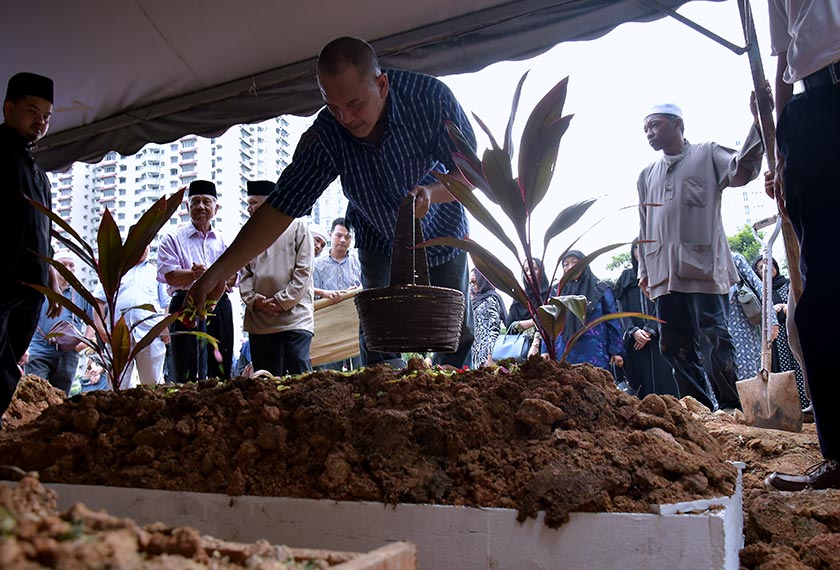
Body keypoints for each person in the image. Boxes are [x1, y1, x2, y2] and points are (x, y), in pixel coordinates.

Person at [184, 36, 476, 370]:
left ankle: (453, 399)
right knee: (378, 331)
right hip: (377, 236)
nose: (346, 118)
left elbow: (472, 173)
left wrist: (431, 192)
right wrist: (220, 271)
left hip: (441, 228)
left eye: (354, 104)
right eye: (332, 105)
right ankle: (386, 400)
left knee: (455, 331)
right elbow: (280, 208)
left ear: (381, 85)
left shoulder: (429, 99)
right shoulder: (328, 134)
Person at [637, 102, 763, 412]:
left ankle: (730, 406)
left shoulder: (706, 153)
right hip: (663, 272)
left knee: (714, 337)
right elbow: (643, 225)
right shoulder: (645, 175)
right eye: (645, 130)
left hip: (704, 267)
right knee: (673, 344)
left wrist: (759, 122)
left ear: (677, 123)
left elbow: (741, 169)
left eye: (655, 125)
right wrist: (643, 270)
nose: (649, 133)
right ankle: (700, 409)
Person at [763, 1, 840, 490]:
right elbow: (784, 53)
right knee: (823, 296)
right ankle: (838, 455)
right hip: (813, 113)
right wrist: (782, 149)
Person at [0, 72, 60, 426]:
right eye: (32, 111)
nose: (40, 121)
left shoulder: (39, 174)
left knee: (7, 366)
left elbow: (42, 230)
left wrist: (50, 273)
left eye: (47, 116)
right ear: (9, 107)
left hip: (30, 288)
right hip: (2, 283)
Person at [157, 180, 234, 382]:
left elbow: (235, 277)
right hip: (185, 303)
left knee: (220, 363)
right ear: (187, 207)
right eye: (195, 201)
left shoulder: (225, 241)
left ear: (216, 208)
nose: (201, 206)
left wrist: (212, 276)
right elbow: (169, 275)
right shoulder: (172, 238)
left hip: (219, 304)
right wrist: (195, 275)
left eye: (206, 202)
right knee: (185, 364)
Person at [240, 180, 315, 376]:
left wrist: (281, 301)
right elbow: (244, 274)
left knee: (300, 372)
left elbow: (304, 271)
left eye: (253, 203)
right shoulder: (248, 233)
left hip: (295, 316)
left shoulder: (298, 225)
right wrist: (255, 300)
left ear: (267, 204)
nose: (249, 208)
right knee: (266, 377)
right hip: (260, 318)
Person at [92, 243, 169, 390]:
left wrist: (165, 327)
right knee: (119, 385)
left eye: (144, 244)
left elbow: (166, 302)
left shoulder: (157, 272)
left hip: (150, 334)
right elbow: (98, 301)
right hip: (118, 335)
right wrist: (100, 329)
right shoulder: (115, 272)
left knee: (152, 385)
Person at [25, 252, 95, 395]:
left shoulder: (81, 294)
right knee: (36, 396)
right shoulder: (41, 290)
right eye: (63, 265)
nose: (67, 269)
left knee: (61, 400)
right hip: (38, 352)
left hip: (68, 355)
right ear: (52, 268)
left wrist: (84, 343)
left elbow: (94, 322)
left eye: (71, 266)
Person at [613, 243, 678, 398]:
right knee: (641, 384)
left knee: (666, 379)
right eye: (636, 247)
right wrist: (633, 330)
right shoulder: (626, 277)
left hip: (660, 337)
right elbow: (621, 307)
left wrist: (650, 329)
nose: (639, 251)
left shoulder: (662, 272)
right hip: (636, 341)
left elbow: (667, 303)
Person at [540, 251, 623, 371]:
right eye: (566, 264)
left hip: (595, 351)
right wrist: (545, 349)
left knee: (596, 385)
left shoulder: (600, 288)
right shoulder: (556, 292)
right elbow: (548, 323)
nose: (570, 267)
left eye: (575, 262)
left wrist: (616, 351)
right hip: (564, 351)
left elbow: (612, 320)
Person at [754, 256, 808, 410]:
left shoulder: (788, 285)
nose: (767, 268)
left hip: (792, 332)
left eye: (771, 264)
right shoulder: (761, 291)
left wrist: (785, 306)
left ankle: (806, 403)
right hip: (775, 340)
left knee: (799, 366)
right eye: (761, 267)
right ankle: (788, 408)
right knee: (779, 371)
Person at [727, 252, 777, 381]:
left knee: (749, 379)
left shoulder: (733, 260)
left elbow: (760, 289)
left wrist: (771, 321)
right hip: (712, 336)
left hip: (742, 332)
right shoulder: (693, 266)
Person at [506, 258, 550, 353]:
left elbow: (549, 324)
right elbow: (509, 325)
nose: (529, 273)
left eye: (534, 268)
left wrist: (520, 325)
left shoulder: (549, 295)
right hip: (519, 350)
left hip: (545, 351)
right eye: (526, 270)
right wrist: (533, 322)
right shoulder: (519, 297)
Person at [313, 217, 361, 303]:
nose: (343, 240)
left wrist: (353, 292)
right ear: (330, 235)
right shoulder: (317, 264)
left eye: (347, 237)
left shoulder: (359, 262)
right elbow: (313, 296)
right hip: (327, 312)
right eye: (338, 235)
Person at [469, 268, 505, 368]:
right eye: (470, 283)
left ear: (482, 280)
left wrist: (490, 355)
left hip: (487, 352)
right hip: (475, 350)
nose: (473, 286)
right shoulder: (474, 299)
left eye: (475, 282)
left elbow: (494, 329)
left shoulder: (491, 299)